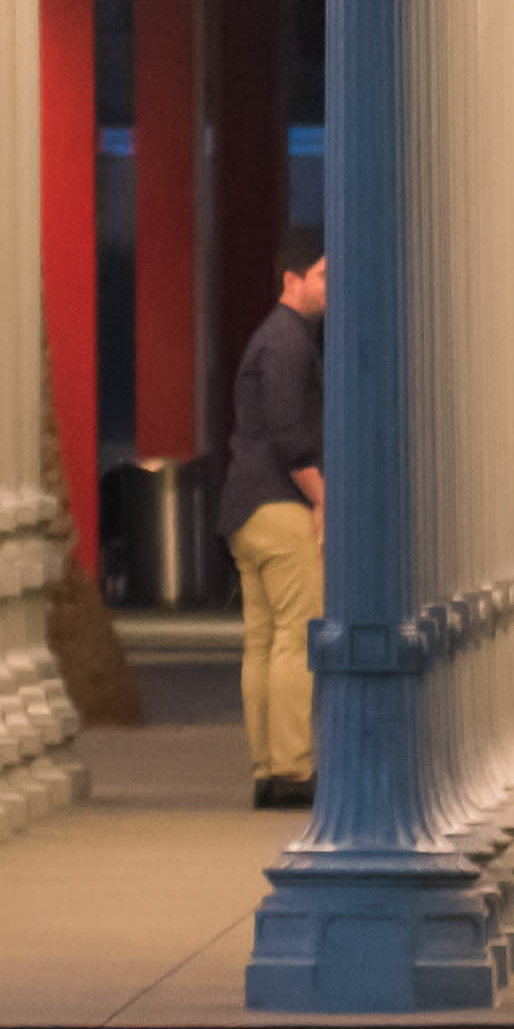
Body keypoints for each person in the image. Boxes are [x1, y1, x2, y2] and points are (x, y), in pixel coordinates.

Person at [220, 252, 331, 812]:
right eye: (323, 274)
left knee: (262, 640)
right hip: (280, 503)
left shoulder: (268, 338)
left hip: (245, 508)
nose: (331, 287)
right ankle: (291, 768)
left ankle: (266, 767)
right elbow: (289, 431)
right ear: (292, 279)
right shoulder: (289, 341)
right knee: (297, 634)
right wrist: (320, 494)